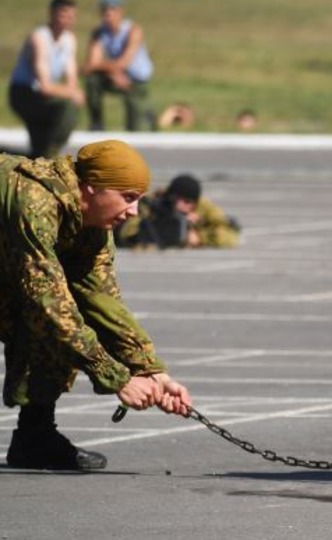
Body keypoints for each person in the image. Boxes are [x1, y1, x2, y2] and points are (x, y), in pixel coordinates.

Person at [1, 140, 192, 470]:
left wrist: (149, 369)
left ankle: (35, 436)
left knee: (65, 321)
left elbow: (100, 299)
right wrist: (117, 378)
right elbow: (46, 301)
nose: (134, 211)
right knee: (52, 316)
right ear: (92, 189)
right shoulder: (34, 201)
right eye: (128, 197)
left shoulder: (93, 224)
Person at [6, 0, 83, 159]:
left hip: (43, 96)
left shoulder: (69, 40)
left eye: (71, 15)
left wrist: (72, 91)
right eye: (63, 14)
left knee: (38, 148)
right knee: (66, 106)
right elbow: (44, 86)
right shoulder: (40, 38)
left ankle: (44, 153)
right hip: (24, 93)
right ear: (52, 13)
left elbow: (71, 78)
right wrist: (71, 93)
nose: (67, 19)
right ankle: (50, 153)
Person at [115, 173, 241, 249]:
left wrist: (200, 237)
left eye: (187, 202)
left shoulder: (204, 208)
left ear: (195, 203)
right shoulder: (154, 203)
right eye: (177, 200)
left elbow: (230, 236)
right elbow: (127, 233)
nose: (181, 205)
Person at [82, 0, 154, 132]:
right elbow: (90, 65)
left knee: (137, 128)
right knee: (92, 80)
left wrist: (111, 68)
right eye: (105, 10)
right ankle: (96, 124)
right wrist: (113, 73)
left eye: (112, 9)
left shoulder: (133, 30)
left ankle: (145, 120)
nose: (108, 14)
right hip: (116, 76)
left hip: (137, 80)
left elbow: (124, 62)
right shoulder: (99, 33)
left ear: (120, 11)